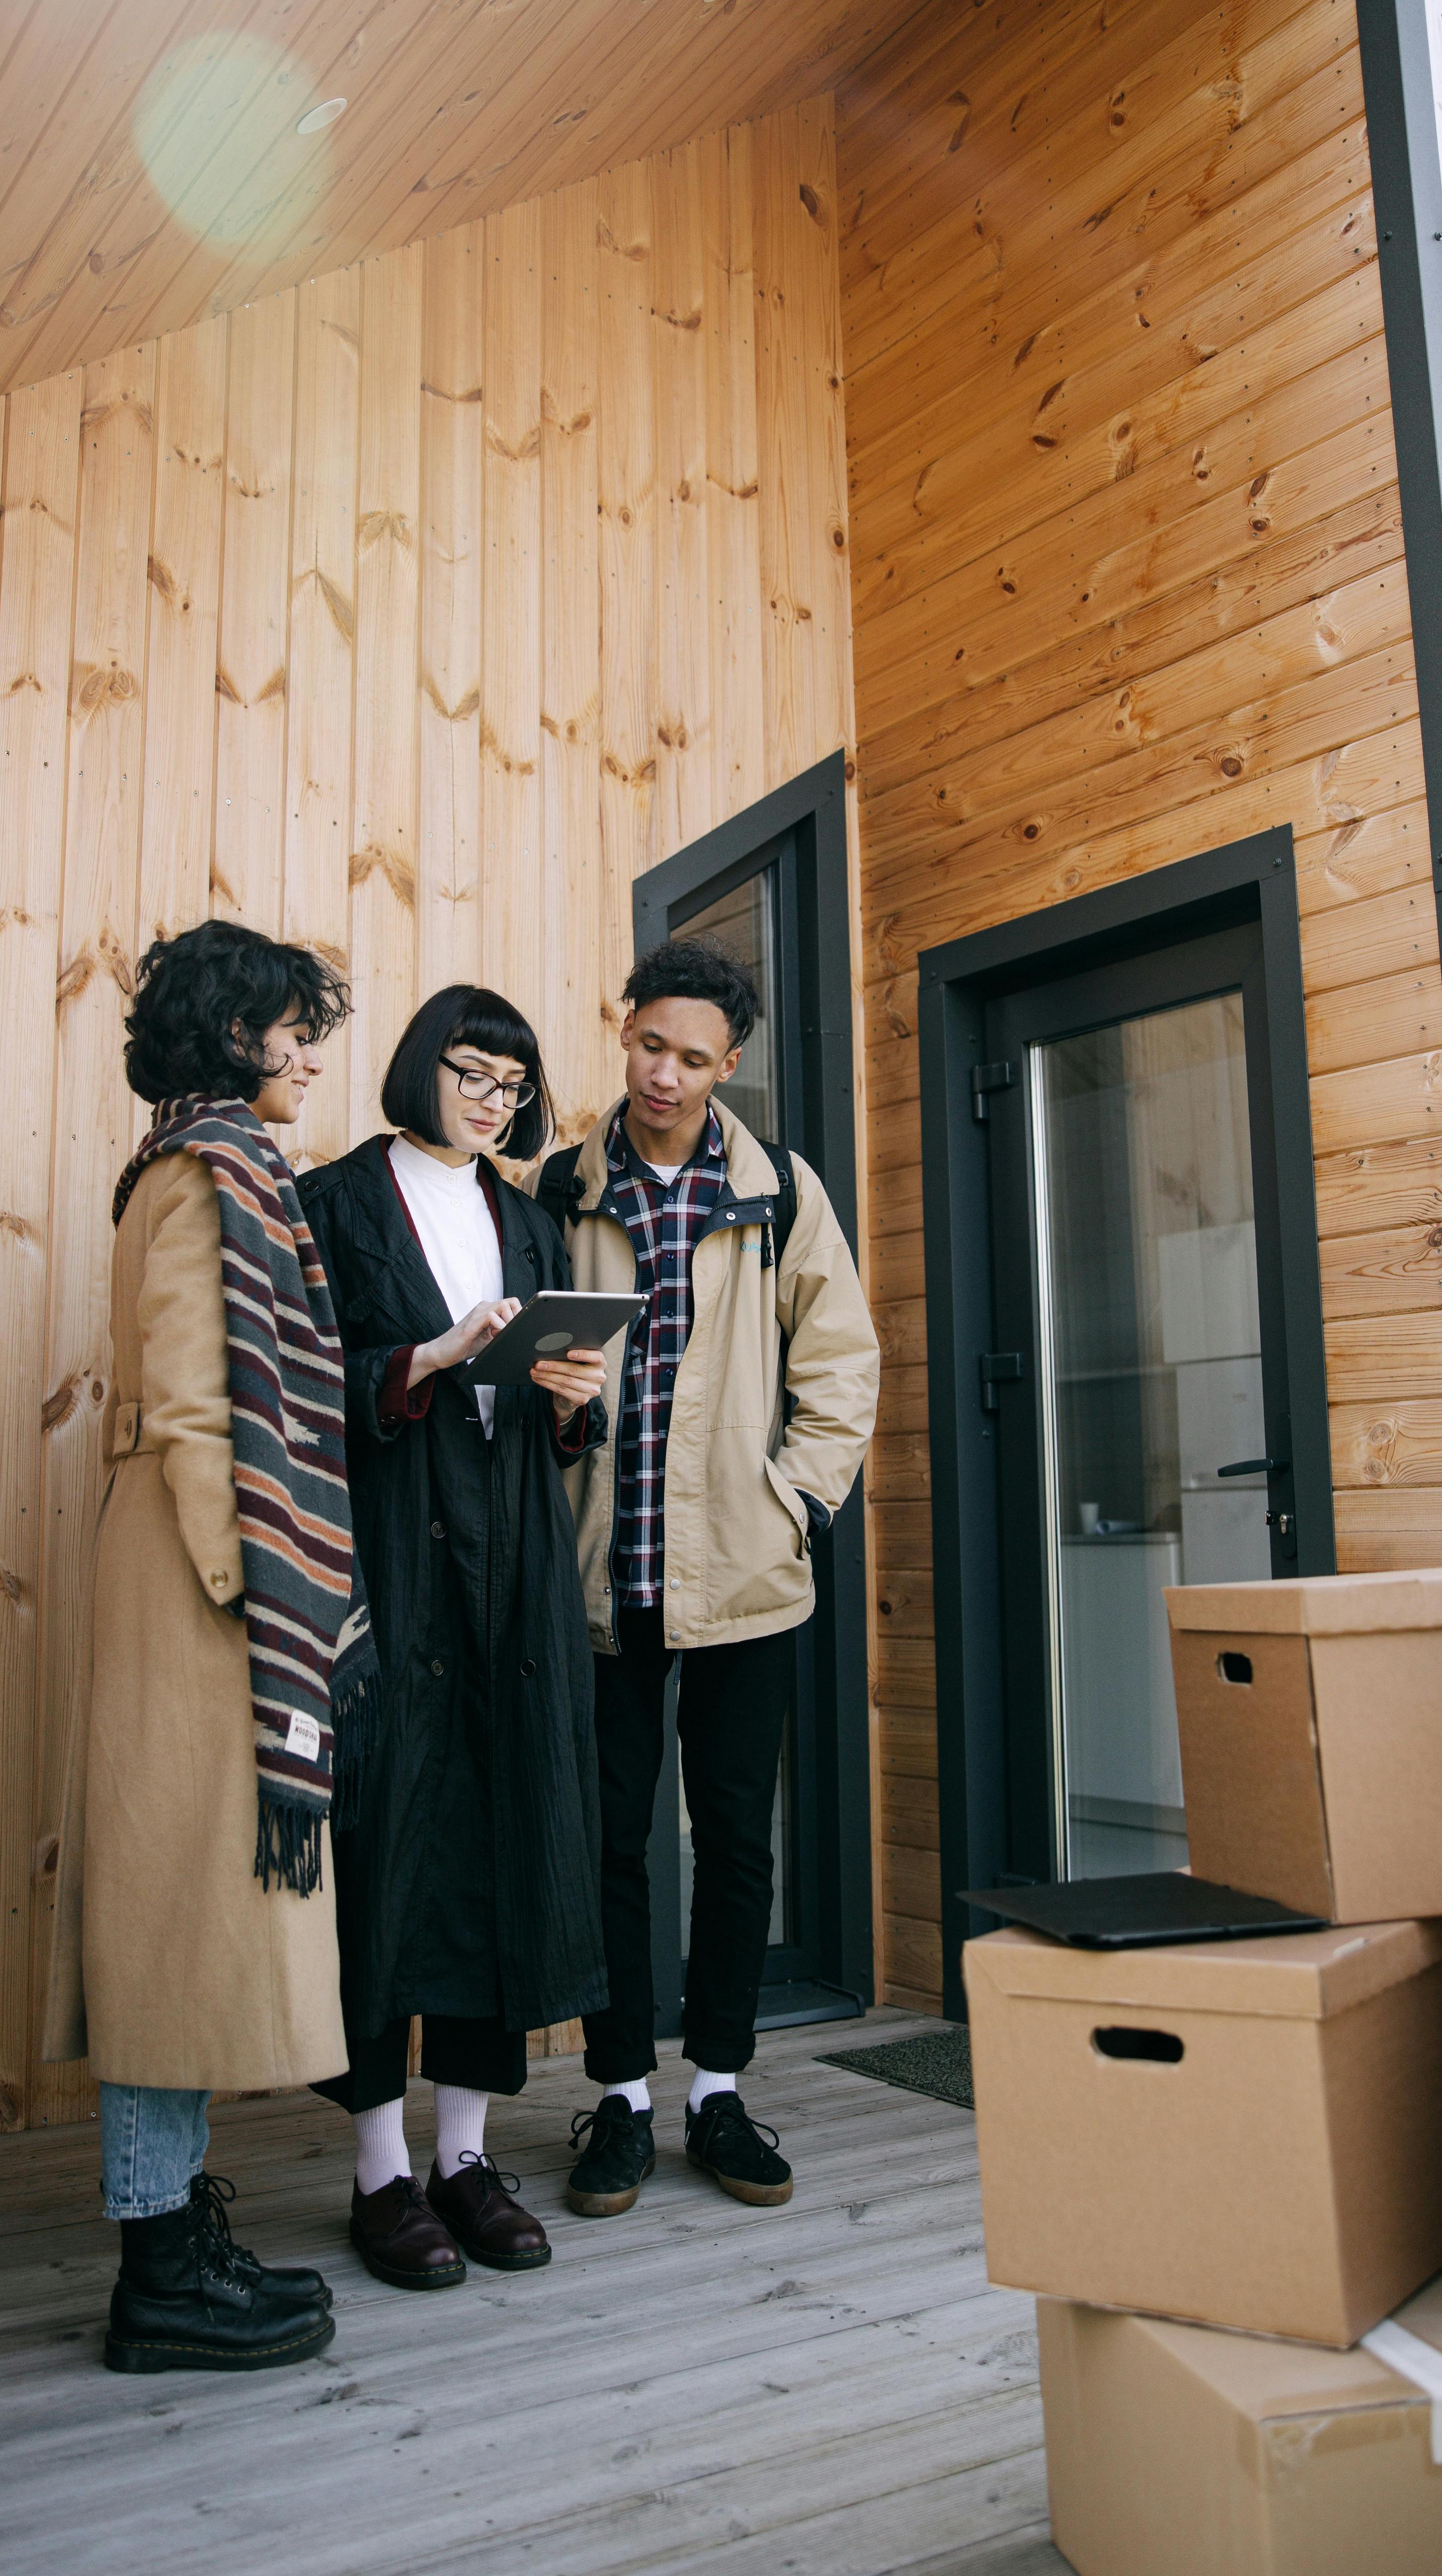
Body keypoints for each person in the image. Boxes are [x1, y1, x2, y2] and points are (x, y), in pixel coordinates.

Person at [43, 917, 368, 2374]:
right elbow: (190, 1409)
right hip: (200, 1586)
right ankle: (160, 2275)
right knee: (170, 1928)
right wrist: (263, 1594)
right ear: (233, 1034)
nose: (311, 1050)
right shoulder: (203, 1176)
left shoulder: (218, 1168)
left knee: (173, 1924)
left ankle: (173, 2237)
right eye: (292, 1024)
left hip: (199, 1577)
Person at [543, 937, 879, 2218]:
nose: (664, 1075)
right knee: (609, 1845)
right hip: (601, 1574)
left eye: (693, 1058)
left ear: (728, 1065)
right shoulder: (558, 1188)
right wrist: (563, 1429)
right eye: (647, 1045)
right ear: (622, 1032)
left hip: (747, 1577)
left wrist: (795, 1502)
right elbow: (534, 1369)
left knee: (737, 1842)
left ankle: (721, 2091)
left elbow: (842, 1365)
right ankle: (621, 2098)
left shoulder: (782, 1191)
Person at [296, 985, 608, 2290]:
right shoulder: (336, 1203)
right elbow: (302, 1381)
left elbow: (556, 1422)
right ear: (421, 1070)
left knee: (502, 1837)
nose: (491, 1100)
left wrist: (574, 1396)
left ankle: (466, 2160)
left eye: (512, 1085)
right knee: (384, 1853)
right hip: (391, 1562)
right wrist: (422, 1360)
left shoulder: (529, 1220)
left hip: (516, 1573)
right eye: (471, 1074)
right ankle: (379, 2174)